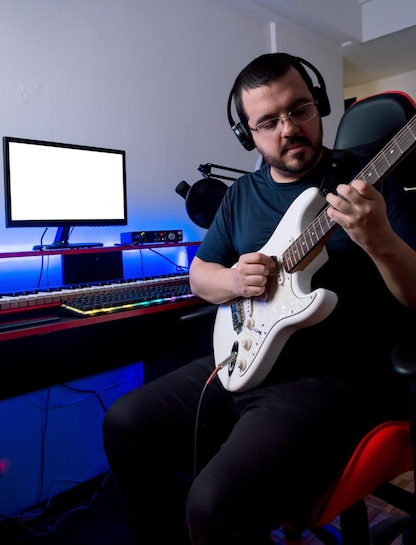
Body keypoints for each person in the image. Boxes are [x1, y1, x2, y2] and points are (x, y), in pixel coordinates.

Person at [103, 52, 416, 545]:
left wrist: (379, 241)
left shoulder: (367, 180)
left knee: (212, 507)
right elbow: (199, 276)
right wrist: (233, 281)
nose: (289, 129)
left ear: (319, 106)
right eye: (268, 122)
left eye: (299, 110)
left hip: (329, 378)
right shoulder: (241, 194)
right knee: (124, 424)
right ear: (249, 134)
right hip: (244, 356)